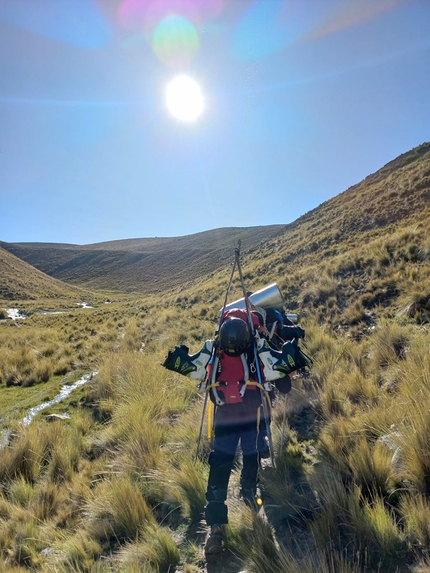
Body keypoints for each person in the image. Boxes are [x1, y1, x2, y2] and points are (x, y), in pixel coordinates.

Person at [162, 306, 311, 555]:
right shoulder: (256, 345)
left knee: (220, 464)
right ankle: (250, 493)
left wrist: (179, 359)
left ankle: (216, 527)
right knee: (251, 453)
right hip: (252, 412)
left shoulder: (214, 348)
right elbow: (277, 368)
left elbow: (196, 371)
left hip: (223, 415)